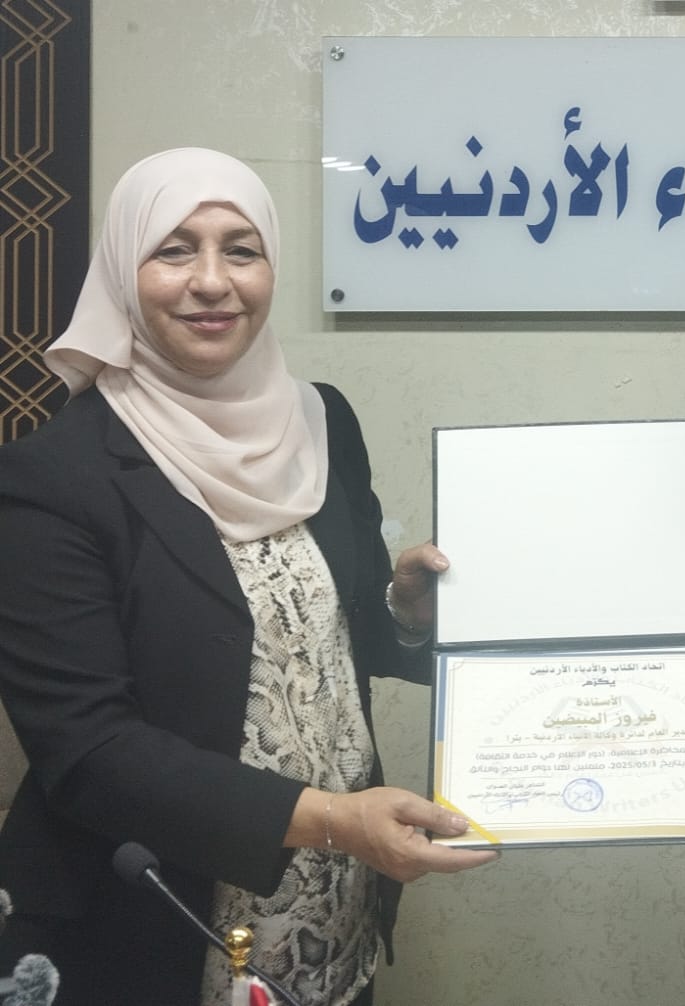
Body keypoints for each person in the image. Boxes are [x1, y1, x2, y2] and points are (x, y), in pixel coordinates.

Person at [0, 148, 495, 1006]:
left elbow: (334, 636)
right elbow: (88, 752)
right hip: (154, 925)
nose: (211, 281)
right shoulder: (53, 478)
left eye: (241, 249)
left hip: (333, 912)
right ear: (122, 272)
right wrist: (336, 821)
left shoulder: (322, 420)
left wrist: (404, 611)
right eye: (173, 250)